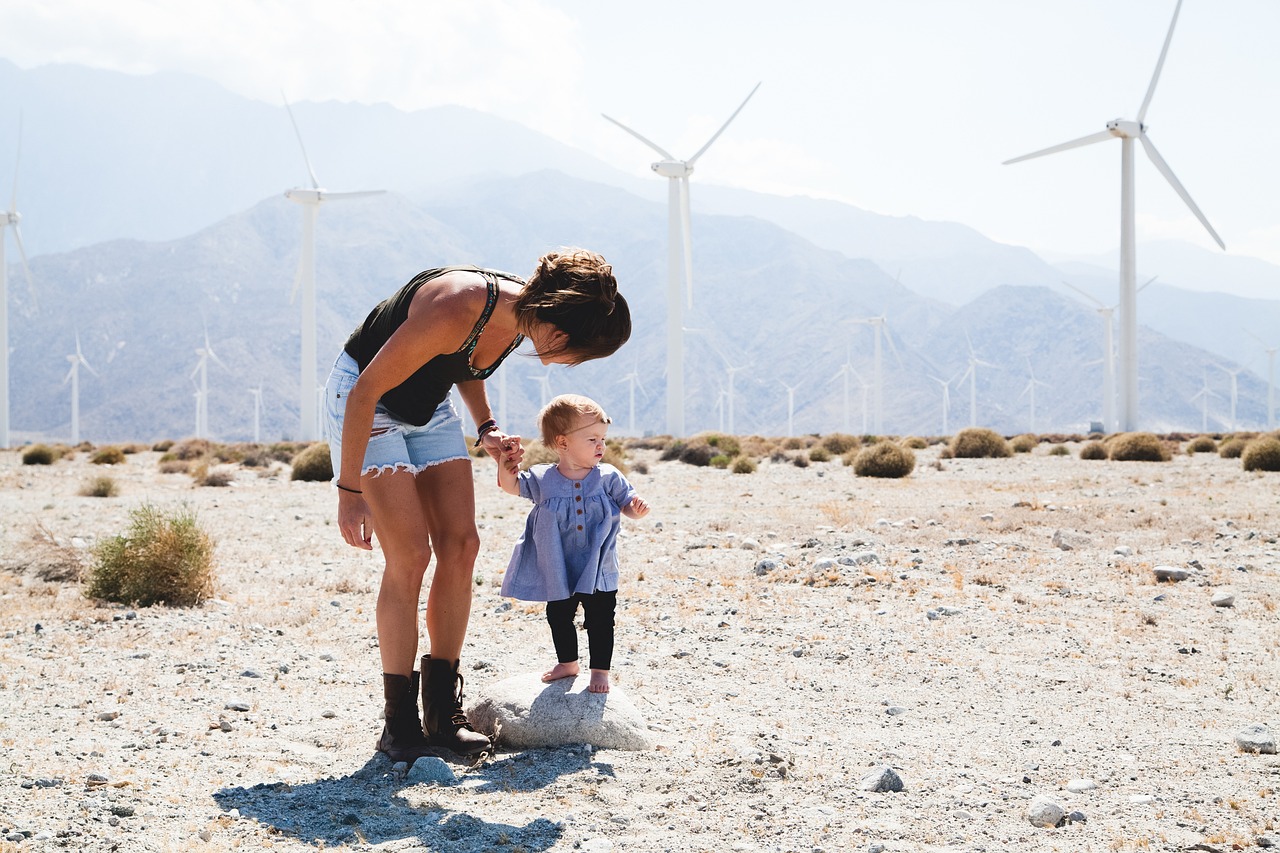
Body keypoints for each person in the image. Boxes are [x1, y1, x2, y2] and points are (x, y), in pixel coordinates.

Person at [325, 249, 630, 762]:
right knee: (411, 556)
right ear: (559, 325)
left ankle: (442, 716)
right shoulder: (458, 304)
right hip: (369, 402)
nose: (574, 362)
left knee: (462, 545)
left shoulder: (522, 319)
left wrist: (486, 428)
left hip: (429, 408)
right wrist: (349, 491)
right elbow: (365, 390)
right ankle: (398, 727)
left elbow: (465, 362)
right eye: (580, 350)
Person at [497, 394, 650, 694]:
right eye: (592, 438)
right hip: (559, 566)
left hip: (598, 567)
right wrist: (505, 464)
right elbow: (511, 486)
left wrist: (636, 508)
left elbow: (626, 504)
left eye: (603, 439)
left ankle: (600, 671)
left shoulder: (607, 476)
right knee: (558, 615)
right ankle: (568, 663)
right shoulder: (542, 479)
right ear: (563, 443)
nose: (601, 446)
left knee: (601, 618)